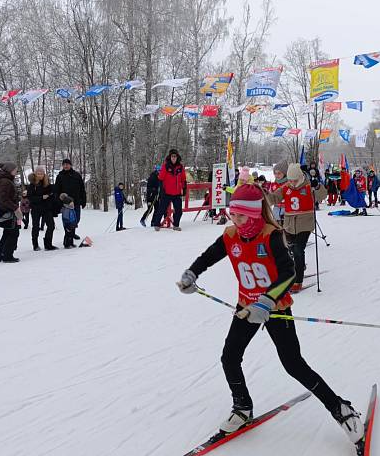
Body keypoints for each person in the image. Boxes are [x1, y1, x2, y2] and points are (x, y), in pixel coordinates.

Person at [175, 182, 364, 444]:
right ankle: (242, 408)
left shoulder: (271, 235)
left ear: (254, 214)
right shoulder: (231, 236)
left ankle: (341, 410)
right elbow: (208, 257)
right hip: (245, 307)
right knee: (229, 357)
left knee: (294, 365)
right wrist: (191, 273)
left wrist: (266, 302)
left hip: (275, 308)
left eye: (241, 215)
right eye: (233, 213)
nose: (236, 219)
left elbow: (289, 273)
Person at [270, 164, 326, 292]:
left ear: (300, 177)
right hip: (289, 224)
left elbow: (322, 196)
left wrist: (317, 187)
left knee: (298, 250)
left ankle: (298, 281)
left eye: (294, 180)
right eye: (289, 180)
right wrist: (262, 194)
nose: (292, 183)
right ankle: (295, 269)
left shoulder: (308, 187)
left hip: (305, 224)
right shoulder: (286, 187)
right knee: (290, 250)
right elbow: (273, 198)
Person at [151, 148, 187, 231]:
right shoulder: (165, 166)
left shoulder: (180, 167)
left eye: (175, 156)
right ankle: (157, 224)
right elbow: (160, 179)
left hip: (177, 193)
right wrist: (161, 190)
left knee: (179, 211)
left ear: (177, 157)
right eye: (172, 156)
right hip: (166, 193)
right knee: (161, 209)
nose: (174, 158)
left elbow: (183, 179)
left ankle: (176, 225)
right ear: (170, 157)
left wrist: (184, 189)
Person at [0, 162, 21, 263]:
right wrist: (15, 208)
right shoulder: (5, 181)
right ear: (9, 170)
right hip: (8, 211)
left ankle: (1, 253)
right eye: (15, 169)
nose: (16, 171)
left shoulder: (7, 180)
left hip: (8, 210)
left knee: (7, 233)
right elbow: (3, 199)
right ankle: (7, 255)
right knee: (13, 233)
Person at [27, 166, 57, 251]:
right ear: (35, 174)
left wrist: (51, 196)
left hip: (46, 208)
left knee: (51, 225)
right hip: (36, 208)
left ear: (44, 174)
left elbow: (52, 194)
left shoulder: (47, 184)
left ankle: (48, 244)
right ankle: (35, 244)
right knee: (35, 227)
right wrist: (41, 197)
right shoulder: (32, 185)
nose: (40, 175)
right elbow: (30, 198)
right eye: (38, 173)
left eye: (41, 174)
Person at [54, 159, 86, 237]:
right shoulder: (60, 176)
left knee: (76, 219)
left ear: (70, 165)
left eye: (67, 164)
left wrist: (84, 200)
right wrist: (59, 201)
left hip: (76, 202)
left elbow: (82, 189)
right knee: (67, 220)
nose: (65, 166)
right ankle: (68, 237)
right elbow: (56, 191)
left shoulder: (77, 175)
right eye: (64, 164)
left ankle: (72, 233)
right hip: (66, 203)